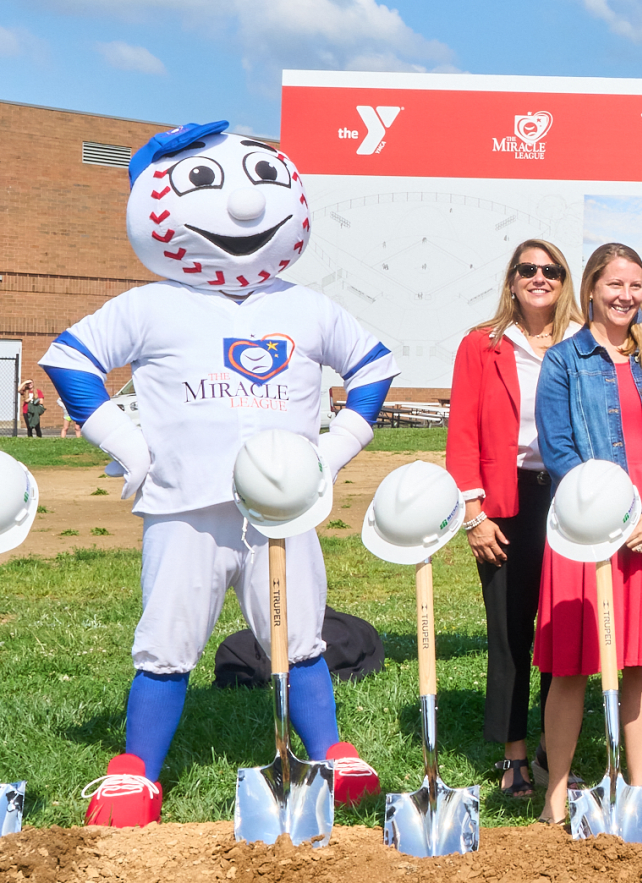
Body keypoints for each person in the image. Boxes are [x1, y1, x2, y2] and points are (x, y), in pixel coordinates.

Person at [50, 122, 394, 826]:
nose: (242, 210)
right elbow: (69, 358)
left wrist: (330, 453)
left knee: (298, 635)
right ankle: (138, 768)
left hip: (283, 511)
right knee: (167, 637)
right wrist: (129, 444)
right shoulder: (151, 304)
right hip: (185, 507)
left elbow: (375, 366)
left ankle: (328, 747)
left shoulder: (305, 304)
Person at [533, 242, 642, 826]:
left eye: (635, 286)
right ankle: (557, 794)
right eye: (614, 284)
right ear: (593, 288)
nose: (625, 296)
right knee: (574, 665)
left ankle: (637, 792)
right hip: (586, 534)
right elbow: (559, 449)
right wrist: (607, 517)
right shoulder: (564, 361)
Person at [445, 239, 586, 798]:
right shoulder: (482, 345)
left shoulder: (583, 343)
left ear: (564, 280)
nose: (539, 277)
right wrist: (474, 513)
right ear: (512, 280)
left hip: (569, 497)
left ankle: (559, 750)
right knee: (510, 632)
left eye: (550, 270)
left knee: (562, 627)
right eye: (527, 269)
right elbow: (462, 434)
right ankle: (514, 755)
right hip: (507, 500)